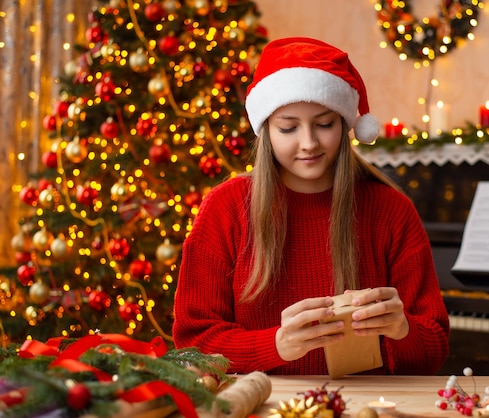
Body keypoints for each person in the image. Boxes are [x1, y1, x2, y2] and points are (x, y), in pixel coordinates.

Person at [173, 37, 449, 375]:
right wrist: (277, 345)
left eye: (324, 124)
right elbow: (193, 345)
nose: (308, 144)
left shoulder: (391, 210)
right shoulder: (225, 209)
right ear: (266, 131)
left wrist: (402, 329)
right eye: (288, 127)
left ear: (346, 124)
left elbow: (434, 348)